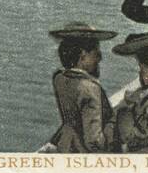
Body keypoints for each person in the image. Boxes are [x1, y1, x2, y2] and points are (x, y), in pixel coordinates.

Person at [47, 23, 117, 153]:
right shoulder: (90, 88)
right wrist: (114, 124)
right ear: (83, 55)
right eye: (96, 53)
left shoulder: (59, 78)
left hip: (67, 145)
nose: (100, 58)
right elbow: (94, 142)